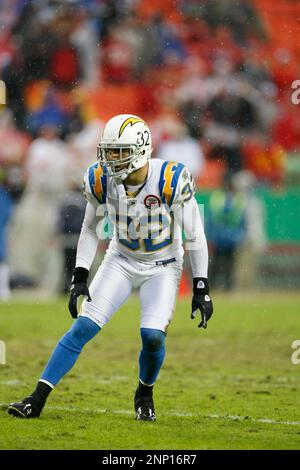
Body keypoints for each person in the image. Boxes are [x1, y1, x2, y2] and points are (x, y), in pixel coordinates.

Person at [8, 114, 213, 422]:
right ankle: (36, 397)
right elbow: (90, 228)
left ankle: (144, 391)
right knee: (84, 327)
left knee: (152, 336)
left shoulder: (170, 179)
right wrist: (80, 275)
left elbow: (195, 235)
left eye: (120, 151)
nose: (112, 158)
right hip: (121, 258)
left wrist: (201, 286)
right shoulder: (100, 179)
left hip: (164, 265)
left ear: (142, 149)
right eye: (109, 150)